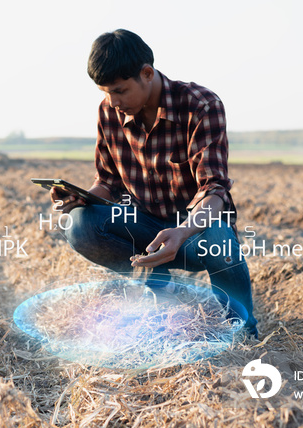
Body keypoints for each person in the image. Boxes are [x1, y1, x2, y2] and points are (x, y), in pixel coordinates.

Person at [50, 29, 258, 338]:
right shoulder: (109, 112)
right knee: (79, 224)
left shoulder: (201, 106)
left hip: (194, 232)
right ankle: (158, 286)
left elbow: (214, 191)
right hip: (145, 228)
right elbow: (107, 181)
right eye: (105, 92)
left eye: (120, 90)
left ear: (147, 73)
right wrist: (81, 199)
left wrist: (183, 231)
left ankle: (242, 328)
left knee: (219, 240)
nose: (112, 101)